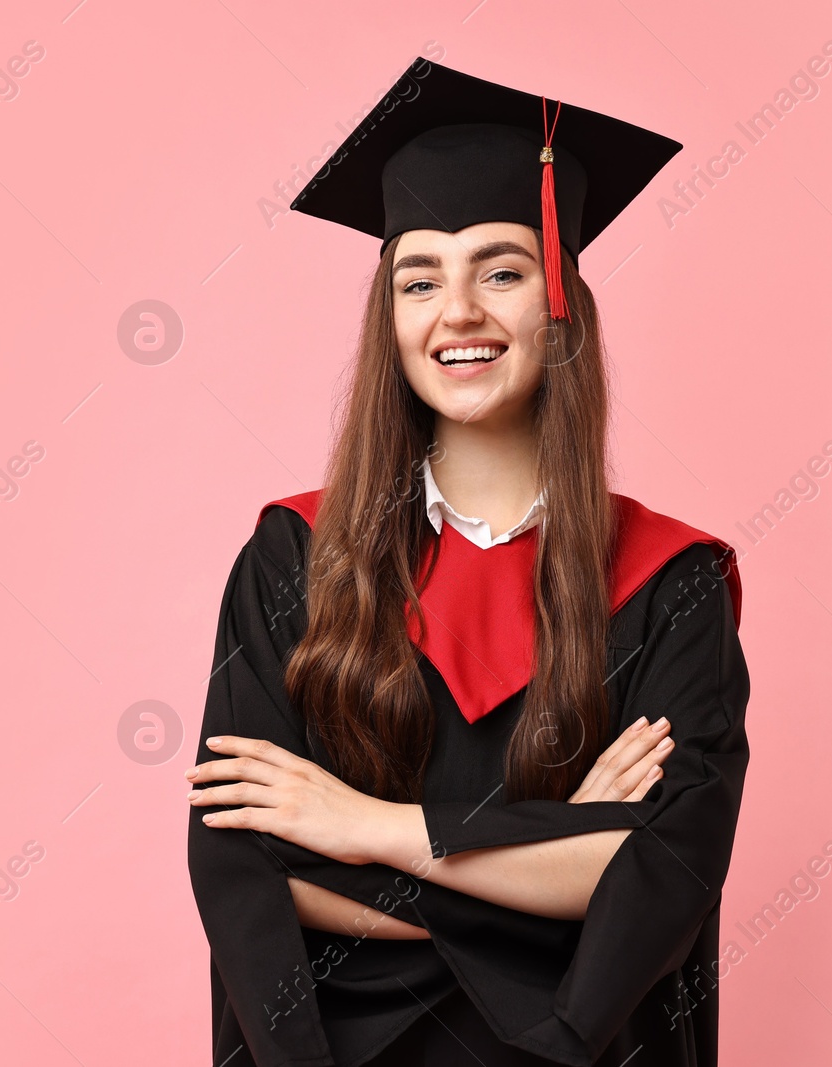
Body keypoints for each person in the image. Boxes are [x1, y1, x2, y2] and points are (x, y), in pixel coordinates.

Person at [186, 56, 750, 1067]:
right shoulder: (294, 557)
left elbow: (666, 876)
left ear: (560, 298)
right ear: (389, 318)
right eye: (419, 279)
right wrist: (555, 856)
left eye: (500, 270)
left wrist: (366, 824)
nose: (457, 313)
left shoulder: (673, 581)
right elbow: (244, 868)